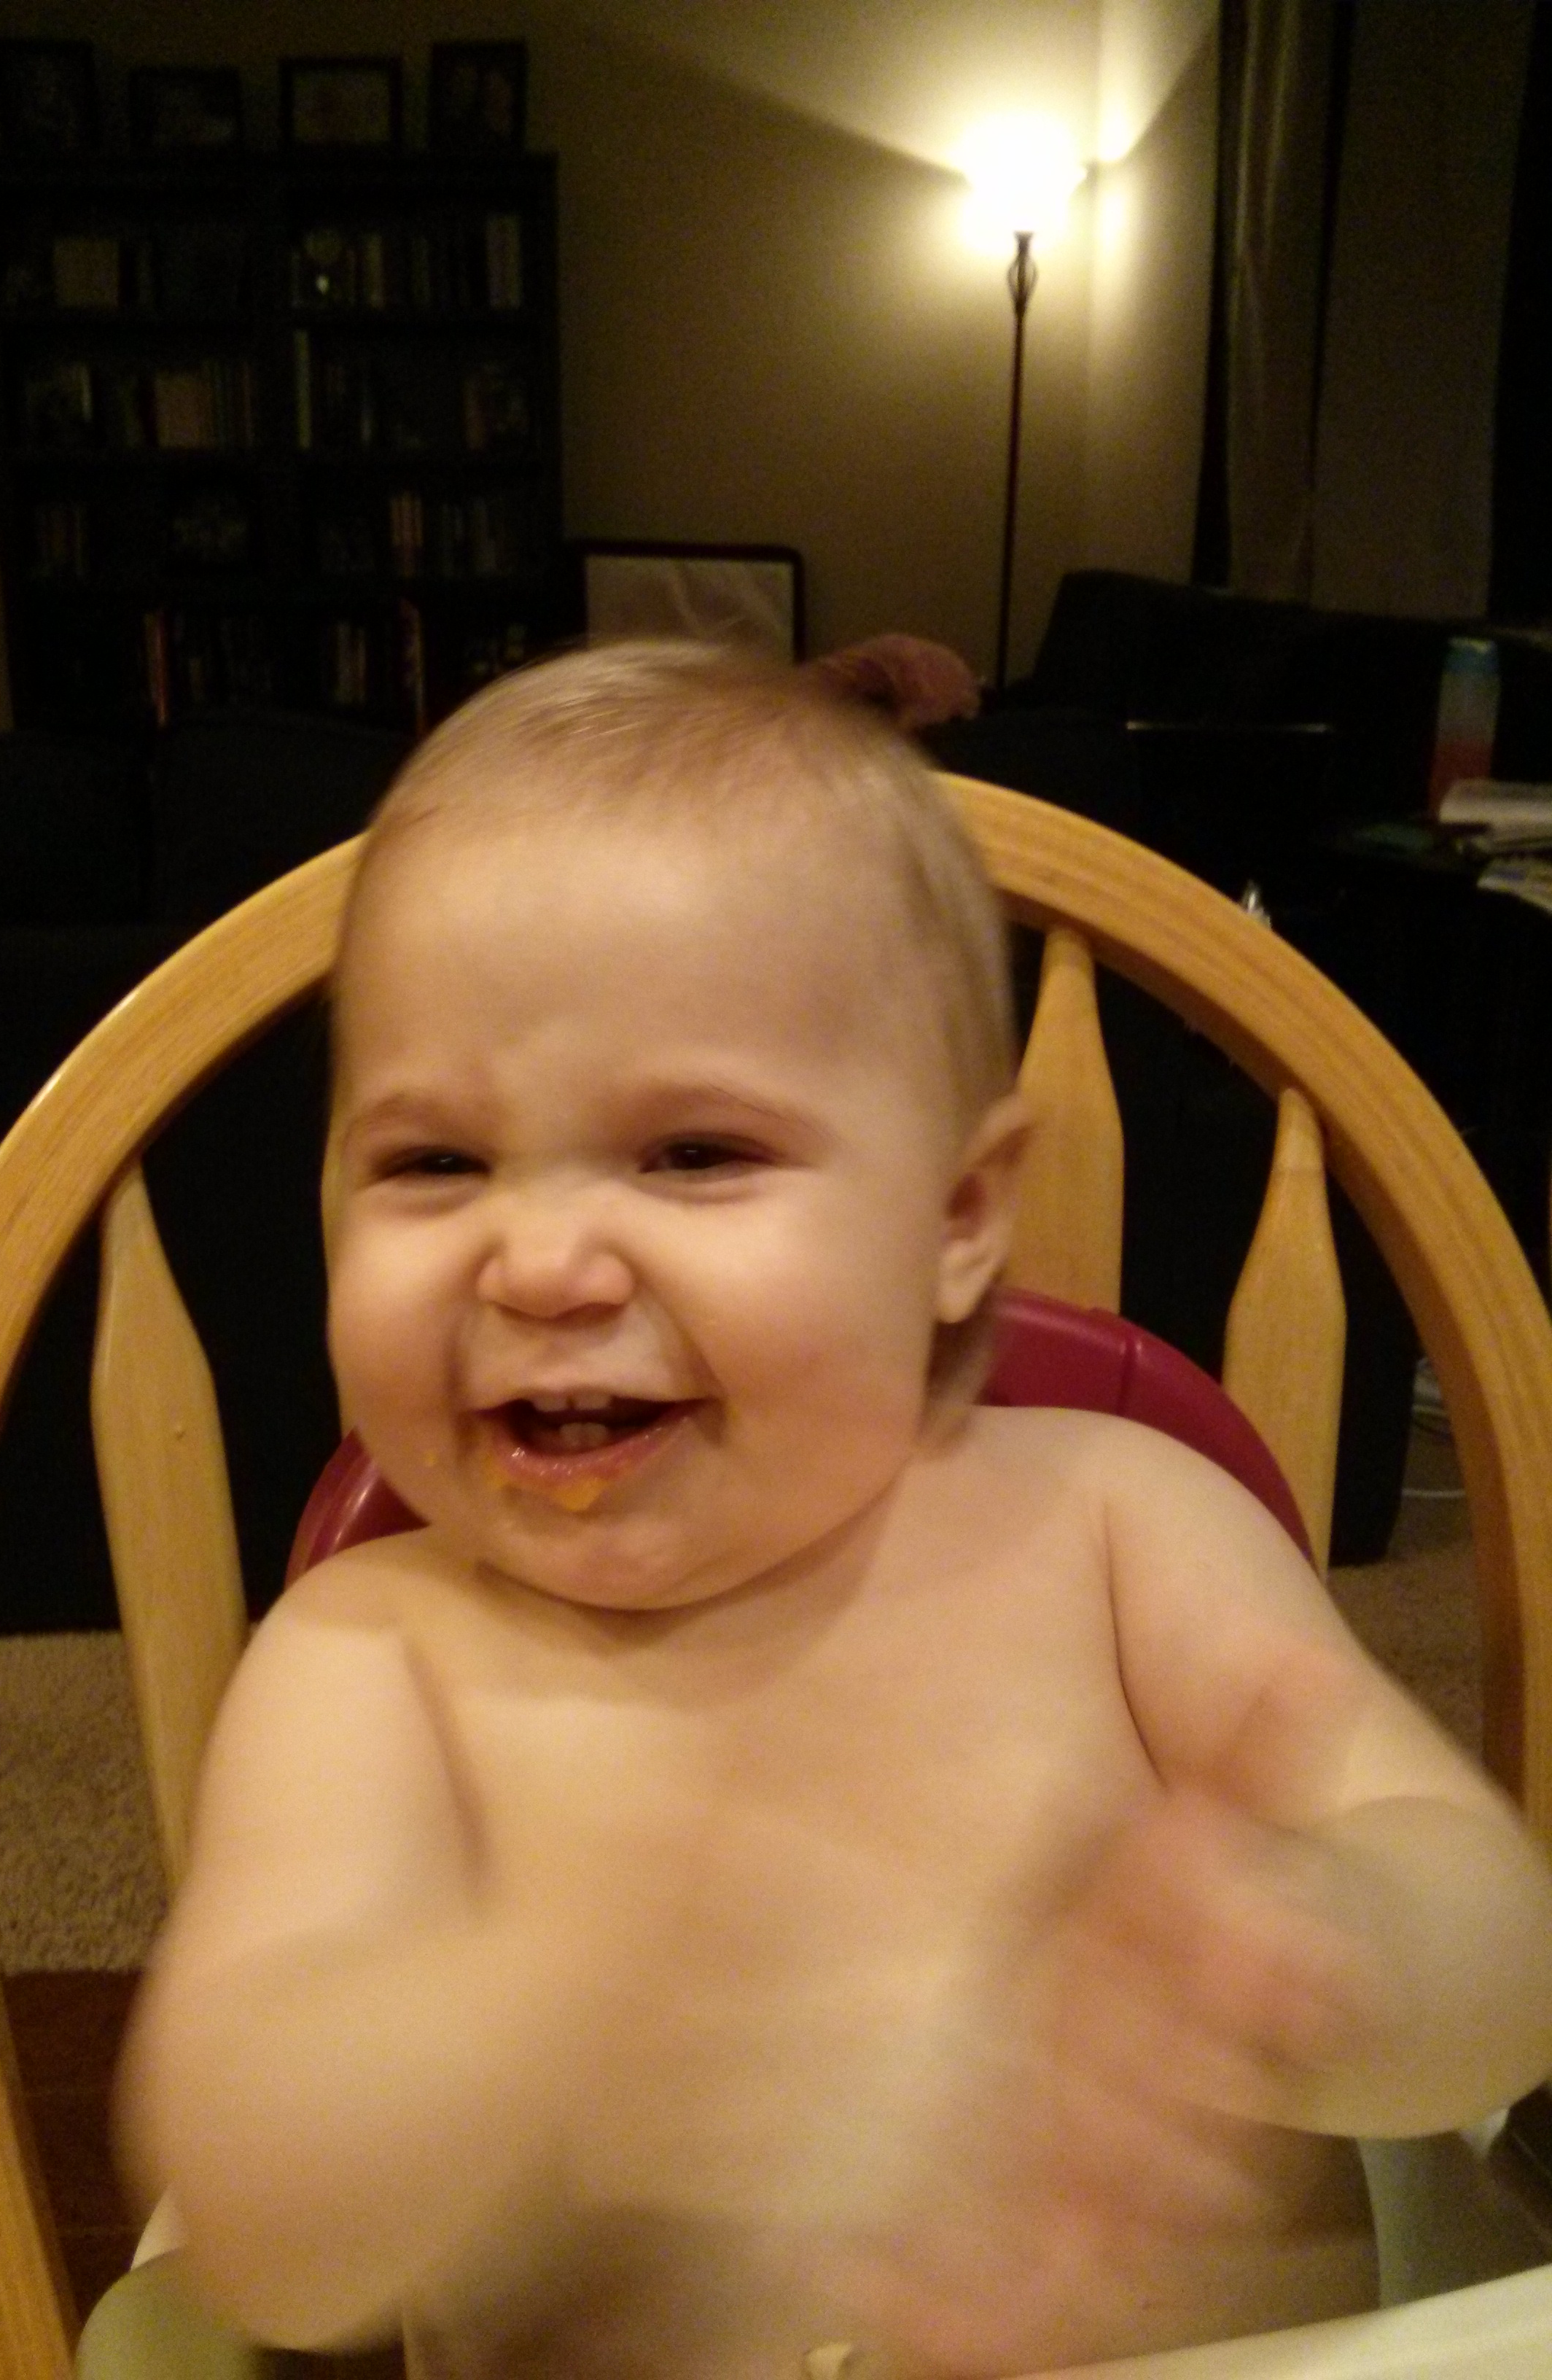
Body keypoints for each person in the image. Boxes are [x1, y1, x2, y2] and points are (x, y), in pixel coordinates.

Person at [118, 642, 1552, 2380]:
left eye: (694, 1152)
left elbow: (1508, 1961)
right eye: (433, 1161)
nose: (544, 1261)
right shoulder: (370, 1661)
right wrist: (556, 1993)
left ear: (957, 1219)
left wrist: (1305, 1957)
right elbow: (256, 2237)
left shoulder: (1121, 1529)